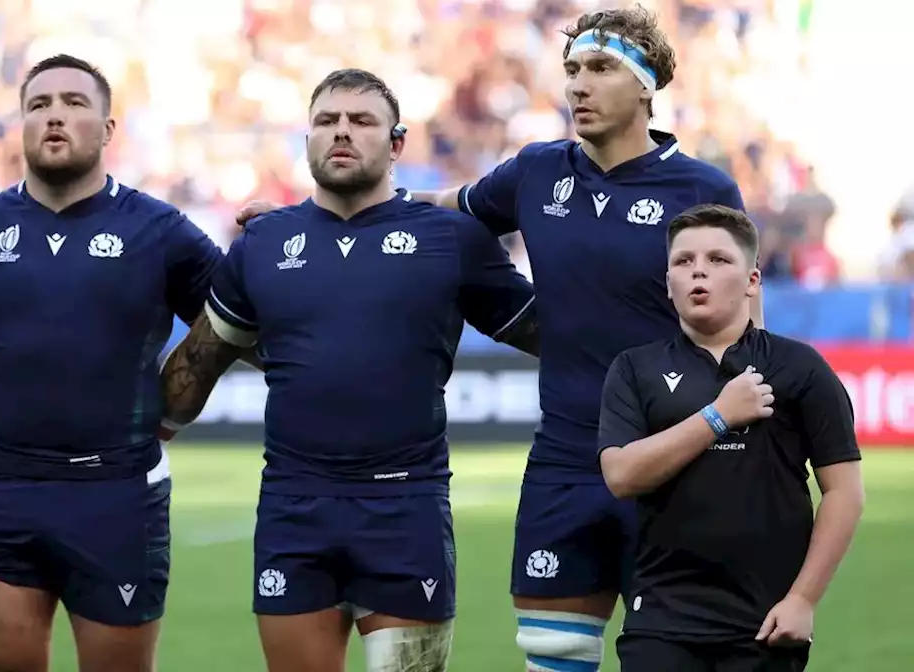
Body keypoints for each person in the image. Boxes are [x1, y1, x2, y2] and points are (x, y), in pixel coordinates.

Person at [230, 8, 751, 670]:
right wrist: (314, 217)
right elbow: (430, 207)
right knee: (551, 653)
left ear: (647, 87)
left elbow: (744, 330)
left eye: (600, 70)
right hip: (566, 458)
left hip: (675, 456)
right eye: (571, 71)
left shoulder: (703, 188)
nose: (577, 86)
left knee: (677, 656)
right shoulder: (536, 171)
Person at [158, 68, 538, 672]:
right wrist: (141, 427)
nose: (341, 133)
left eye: (361, 121)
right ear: (305, 140)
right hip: (293, 508)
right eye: (326, 121)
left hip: (405, 506)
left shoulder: (451, 238)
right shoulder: (262, 242)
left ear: (396, 144)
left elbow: (553, 335)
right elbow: (197, 365)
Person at [0, 54, 230, 672]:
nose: (54, 117)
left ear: (109, 129)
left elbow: (243, 319)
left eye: (73, 103)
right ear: (21, 125)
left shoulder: (161, 231)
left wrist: (268, 244)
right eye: (39, 105)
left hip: (116, 491)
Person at [597, 204, 864, 671]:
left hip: (765, 624)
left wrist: (803, 599)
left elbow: (844, 492)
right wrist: (718, 416)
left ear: (752, 281)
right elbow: (621, 475)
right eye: (683, 261)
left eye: (718, 260)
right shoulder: (634, 368)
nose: (698, 270)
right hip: (660, 621)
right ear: (668, 283)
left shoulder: (800, 367)